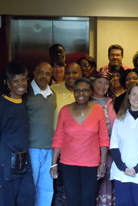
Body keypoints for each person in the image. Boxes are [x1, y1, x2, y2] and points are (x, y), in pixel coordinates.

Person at [50, 78, 109, 206]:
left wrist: (103, 163)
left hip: (91, 164)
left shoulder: (98, 110)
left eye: (84, 90)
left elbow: (103, 139)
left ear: (90, 92)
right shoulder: (64, 111)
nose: (80, 93)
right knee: (72, 200)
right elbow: (58, 138)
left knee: (88, 200)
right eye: (77, 91)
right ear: (73, 93)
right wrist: (54, 164)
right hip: (68, 163)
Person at [0, 61, 35, 206]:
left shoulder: (25, 102)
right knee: (7, 200)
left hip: (24, 161)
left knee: (27, 198)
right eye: (15, 81)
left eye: (23, 79)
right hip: (6, 162)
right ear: (8, 83)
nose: (21, 84)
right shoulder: (2, 104)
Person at [50, 62, 82, 206]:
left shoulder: (85, 93)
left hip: (81, 151)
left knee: (78, 189)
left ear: (80, 74)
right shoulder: (53, 91)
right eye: (68, 72)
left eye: (74, 73)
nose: (71, 76)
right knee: (58, 189)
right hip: (58, 149)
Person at [25, 62, 56, 206]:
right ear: (34, 72)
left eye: (48, 74)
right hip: (31, 148)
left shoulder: (53, 94)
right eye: (41, 72)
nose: (44, 76)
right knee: (30, 188)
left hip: (49, 149)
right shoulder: (26, 92)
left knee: (47, 189)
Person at [90, 69, 116, 206]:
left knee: (106, 185)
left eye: (106, 83)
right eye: (99, 82)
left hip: (109, 152)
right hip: (89, 153)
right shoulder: (85, 101)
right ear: (92, 83)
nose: (103, 86)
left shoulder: (112, 102)